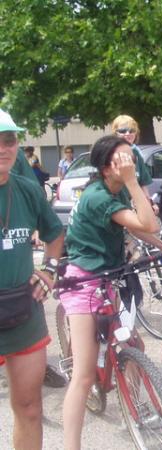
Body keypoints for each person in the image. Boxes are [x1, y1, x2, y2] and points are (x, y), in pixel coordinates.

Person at [59, 135, 162, 450]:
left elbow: (135, 226)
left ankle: (133, 408)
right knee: (83, 375)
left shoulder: (116, 189)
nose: (129, 164)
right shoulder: (99, 196)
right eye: (122, 160)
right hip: (83, 281)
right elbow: (149, 223)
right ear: (106, 168)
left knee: (133, 344)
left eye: (131, 159)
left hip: (108, 275)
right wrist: (134, 182)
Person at [0, 109, 64, 450]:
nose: (3, 148)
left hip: (22, 311)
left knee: (29, 408)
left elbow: (55, 233)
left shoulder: (26, 189)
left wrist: (49, 271)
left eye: (9, 140)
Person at [110, 115, 158, 215]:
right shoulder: (110, 154)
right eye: (123, 131)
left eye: (131, 130)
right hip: (116, 208)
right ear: (115, 133)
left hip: (134, 208)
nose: (128, 133)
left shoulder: (137, 154)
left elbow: (143, 184)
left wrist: (149, 204)